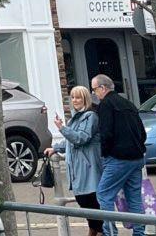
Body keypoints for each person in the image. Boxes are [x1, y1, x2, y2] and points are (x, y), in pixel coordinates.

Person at [90, 74, 150, 236]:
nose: (94, 93)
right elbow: (142, 133)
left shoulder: (105, 105)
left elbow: (106, 133)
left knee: (104, 195)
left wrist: (106, 154)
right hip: (137, 157)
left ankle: (110, 233)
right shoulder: (128, 104)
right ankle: (139, 233)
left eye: (94, 89)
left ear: (102, 88)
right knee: (135, 199)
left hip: (118, 158)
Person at [48, 85, 105, 235]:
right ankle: (95, 231)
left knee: (90, 202)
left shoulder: (90, 116)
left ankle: (99, 231)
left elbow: (81, 138)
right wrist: (56, 147)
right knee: (83, 201)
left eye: (78, 97)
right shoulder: (76, 117)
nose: (75, 100)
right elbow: (70, 140)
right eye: (72, 97)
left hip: (88, 166)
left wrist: (62, 128)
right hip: (77, 167)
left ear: (85, 98)